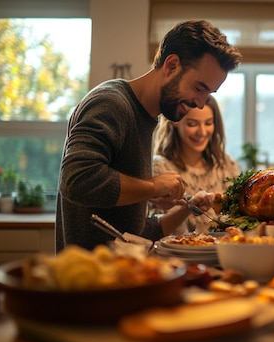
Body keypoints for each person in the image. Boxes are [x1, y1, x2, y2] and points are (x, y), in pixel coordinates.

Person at [55, 20, 242, 252]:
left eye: (209, 94)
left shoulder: (145, 119)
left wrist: (187, 208)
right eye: (199, 88)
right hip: (90, 281)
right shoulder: (111, 103)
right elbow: (76, 181)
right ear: (172, 66)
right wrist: (153, 187)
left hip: (123, 276)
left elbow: (135, 234)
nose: (201, 103)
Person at [151, 95, 240, 234]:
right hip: (175, 255)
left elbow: (239, 218)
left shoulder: (226, 165)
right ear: (175, 123)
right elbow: (152, 229)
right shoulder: (159, 168)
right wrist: (188, 208)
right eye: (192, 124)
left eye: (208, 123)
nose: (202, 132)